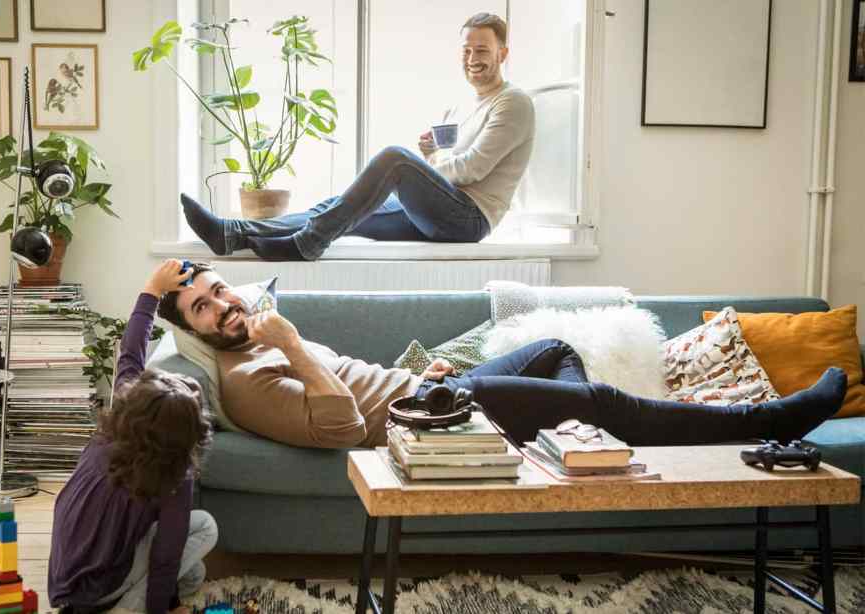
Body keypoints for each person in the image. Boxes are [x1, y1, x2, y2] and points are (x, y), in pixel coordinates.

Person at [157, 263, 848, 450]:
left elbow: (352, 379)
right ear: (194, 331)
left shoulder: (266, 336)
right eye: (202, 309)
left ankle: (582, 434)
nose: (222, 306)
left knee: (552, 349)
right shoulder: (244, 379)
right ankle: (770, 421)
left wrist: (415, 373)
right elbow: (340, 427)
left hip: (430, 393)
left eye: (218, 291)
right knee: (601, 401)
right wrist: (292, 345)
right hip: (423, 426)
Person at [180, 12, 535, 261]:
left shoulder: (513, 102)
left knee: (395, 158)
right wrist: (430, 155)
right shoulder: (459, 106)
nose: (472, 58)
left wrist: (431, 161)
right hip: (443, 208)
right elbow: (446, 167)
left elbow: (469, 170)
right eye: (466, 50)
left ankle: (310, 243)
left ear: (502, 54)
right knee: (339, 207)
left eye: (482, 50)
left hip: (469, 218)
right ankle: (234, 233)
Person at [49, 261, 216, 614]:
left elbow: (131, 349)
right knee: (205, 529)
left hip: (65, 579)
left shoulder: (117, 423)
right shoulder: (176, 476)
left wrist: (152, 289)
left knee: (195, 574)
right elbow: (166, 557)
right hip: (98, 593)